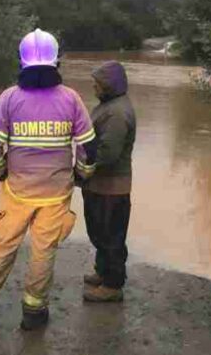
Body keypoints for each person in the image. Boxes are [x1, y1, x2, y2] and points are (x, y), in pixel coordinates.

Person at [0, 29, 98, 330]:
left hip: (16, 191)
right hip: (55, 194)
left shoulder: (9, 98)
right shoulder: (71, 99)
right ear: (57, 61)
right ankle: (34, 313)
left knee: (2, 248)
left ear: (21, 60)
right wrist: (82, 174)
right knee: (43, 254)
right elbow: (88, 148)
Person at [81, 61, 136, 302]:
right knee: (100, 232)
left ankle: (113, 285)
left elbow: (108, 154)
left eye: (97, 84)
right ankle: (103, 272)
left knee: (111, 235)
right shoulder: (109, 106)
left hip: (110, 188)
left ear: (109, 86)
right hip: (101, 185)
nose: (94, 87)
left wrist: (80, 168)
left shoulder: (117, 113)